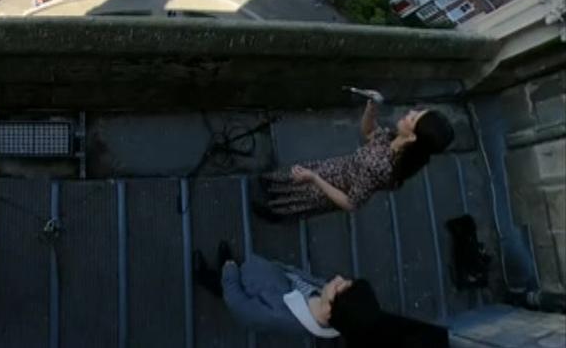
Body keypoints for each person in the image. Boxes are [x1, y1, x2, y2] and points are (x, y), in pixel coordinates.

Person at [258, 95, 454, 218]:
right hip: (336, 168)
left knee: (297, 197)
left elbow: (351, 203)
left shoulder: (380, 167)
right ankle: (271, 187)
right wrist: (370, 110)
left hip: (329, 187)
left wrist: (314, 178)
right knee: (293, 180)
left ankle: (271, 209)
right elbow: (369, 133)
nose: (410, 112)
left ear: (412, 136)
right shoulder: (394, 141)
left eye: (413, 118)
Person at [194, 243, 379, 345]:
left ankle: (205, 276)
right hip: (263, 275)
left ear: (329, 310)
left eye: (340, 286)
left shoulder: (279, 316)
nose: (338, 277)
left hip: (243, 287)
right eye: (347, 281)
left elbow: (238, 304)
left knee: (222, 285)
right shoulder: (326, 301)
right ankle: (227, 265)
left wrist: (230, 273)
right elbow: (300, 278)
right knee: (233, 270)